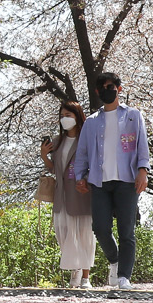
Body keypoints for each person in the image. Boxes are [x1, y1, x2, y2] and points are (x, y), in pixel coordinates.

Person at [69, 71, 150, 288]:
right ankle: (114, 260)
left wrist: (143, 170)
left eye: (112, 86)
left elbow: (142, 146)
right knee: (100, 228)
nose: (108, 90)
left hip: (127, 180)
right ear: (97, 92)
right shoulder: (92, 122)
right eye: (103, 87)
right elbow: (82, 153)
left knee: (127, 231)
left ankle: (124, 276)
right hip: (99, 182)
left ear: (119, 89)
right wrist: (80, 177)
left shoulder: (133, 116)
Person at [40, 99, 95, 287]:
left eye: (68, 115)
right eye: (62, 116)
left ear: (77, 116)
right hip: (61, 196)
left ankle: (85, 277)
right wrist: (44, 156)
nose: (65, 119)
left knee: (83, 234)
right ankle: (75, 269)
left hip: (81, 193)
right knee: (63, 234)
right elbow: (55, 169)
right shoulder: (58, 141)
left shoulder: (86, 139)